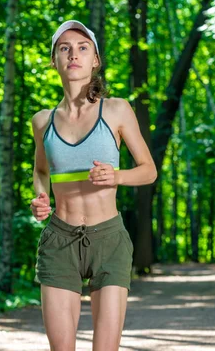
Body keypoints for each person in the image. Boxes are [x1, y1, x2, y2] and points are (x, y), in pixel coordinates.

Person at [30, 20, 157, 351]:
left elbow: (148, 171)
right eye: (65, 48)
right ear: (54, 60)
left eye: (82, 48)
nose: (74, 54)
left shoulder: (116, 110)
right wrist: (40, 197)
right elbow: (41, 170)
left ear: (95, 60)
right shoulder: (42, 121)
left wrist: (117, 176)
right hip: (59, 240)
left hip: (109, 240)